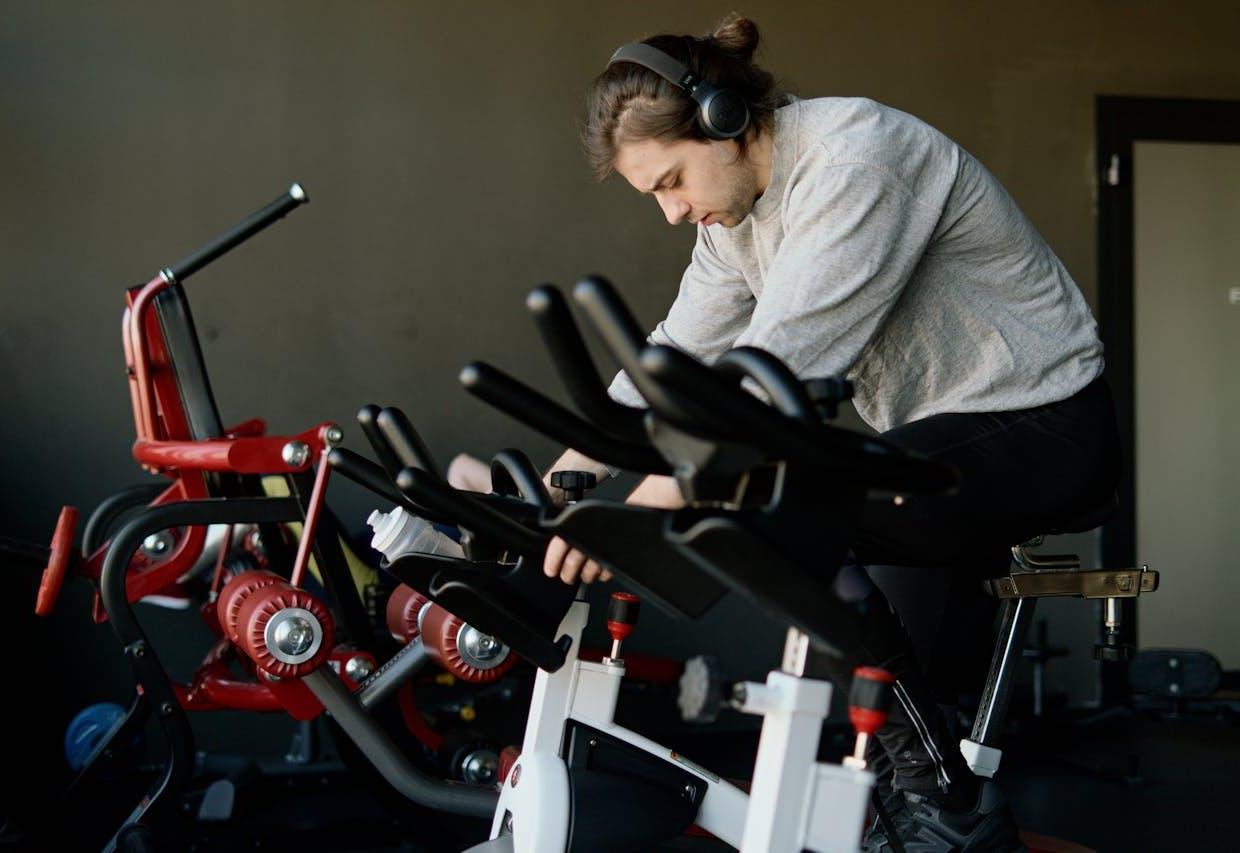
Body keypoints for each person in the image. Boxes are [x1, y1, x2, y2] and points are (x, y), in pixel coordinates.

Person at [450, 14, 1120, 852]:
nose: (670, 212)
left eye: (670, 182)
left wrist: (654, 496)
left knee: (779, 508)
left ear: (725, 123)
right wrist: (556, 484)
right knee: (864, 665)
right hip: (934, 444)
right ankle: (931, 800)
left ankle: (949, 802)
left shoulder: (855, 158)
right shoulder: (733, 219)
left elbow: (779, 367)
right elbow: (670, 358)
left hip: (1046, 426)